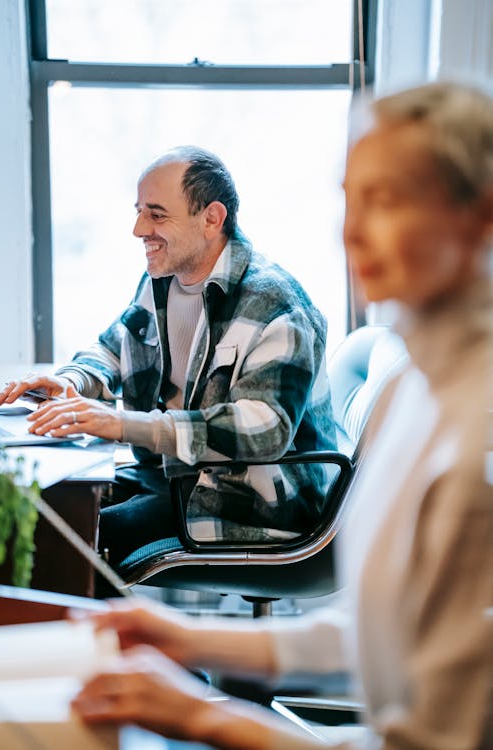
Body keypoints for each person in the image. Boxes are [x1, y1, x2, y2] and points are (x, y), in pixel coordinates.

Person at [70, 81, 492, 749]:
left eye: (388, 200)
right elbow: (382, 629)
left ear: (481, 216)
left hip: (248, 498)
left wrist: (205, 715)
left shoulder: (476, 446)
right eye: (349, 200)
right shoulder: (420, 384)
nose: (351, 231)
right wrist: (186, 636)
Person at [0, 146, 337, 562]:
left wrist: (121, 424)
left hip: (253, 502)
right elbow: (114, 346)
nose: (138, 229)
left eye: (157, 215)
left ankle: (95, 628)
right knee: (47, 509)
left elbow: (263, 431)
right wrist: (72, 381)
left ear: (212, 218)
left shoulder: (277, 306)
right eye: (139, 211)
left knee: (68, 542)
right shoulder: (163, 275)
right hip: (171, 474)